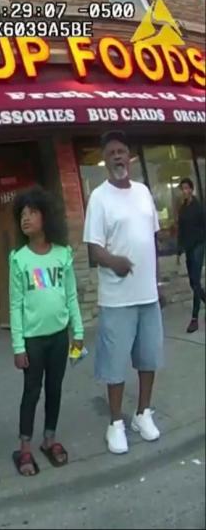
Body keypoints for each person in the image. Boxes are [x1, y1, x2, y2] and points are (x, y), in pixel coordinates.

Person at [84, 131, 164, 455]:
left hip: (148, 296)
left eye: (122, 151)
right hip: (117, 299)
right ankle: (115, 422)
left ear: (129, 157)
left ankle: (143, 414)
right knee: (115, 365)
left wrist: (155, 281)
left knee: (149, 359)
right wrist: (114, 261)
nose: (118, 156)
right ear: (105, 160)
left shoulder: (144, 192)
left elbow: (152, 238)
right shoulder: (99, 198)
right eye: (112, 152)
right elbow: (93, 250)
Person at [8, 188, 85, 476]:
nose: (26, 218)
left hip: (58, 337)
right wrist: (18, 346)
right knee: (32, 391)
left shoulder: (63, 254)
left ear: (46, 216)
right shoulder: (18, 259)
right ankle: (25, 448)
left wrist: (77, 332)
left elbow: (71, 296)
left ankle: (49, 439)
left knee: (55, 389)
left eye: (33, 212)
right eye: (22, 214)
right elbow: (15, 305)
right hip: (32, 340)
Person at [177, 177, 206, 333]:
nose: (185, 191)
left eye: (187, 188)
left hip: (199, 246)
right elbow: (181, 229)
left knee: (195, 282)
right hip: (188, 247)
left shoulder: (198, 207)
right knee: (193, 283)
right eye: (182, 189)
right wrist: (179, 249)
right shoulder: (183, 208)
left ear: (192, 189)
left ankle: (194, 319)